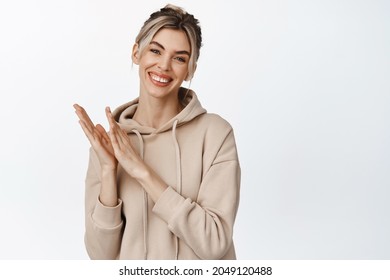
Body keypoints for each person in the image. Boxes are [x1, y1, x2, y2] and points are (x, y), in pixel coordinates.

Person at [73, 4, 240, 260]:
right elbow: (101, 255)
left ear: (190, 69)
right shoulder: (111, 144)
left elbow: (214, 244)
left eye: (179, 58)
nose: (164, 65)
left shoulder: (215, 134)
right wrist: (108, 170)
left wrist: (141, 171)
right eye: (155, 50)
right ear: (136, 53)